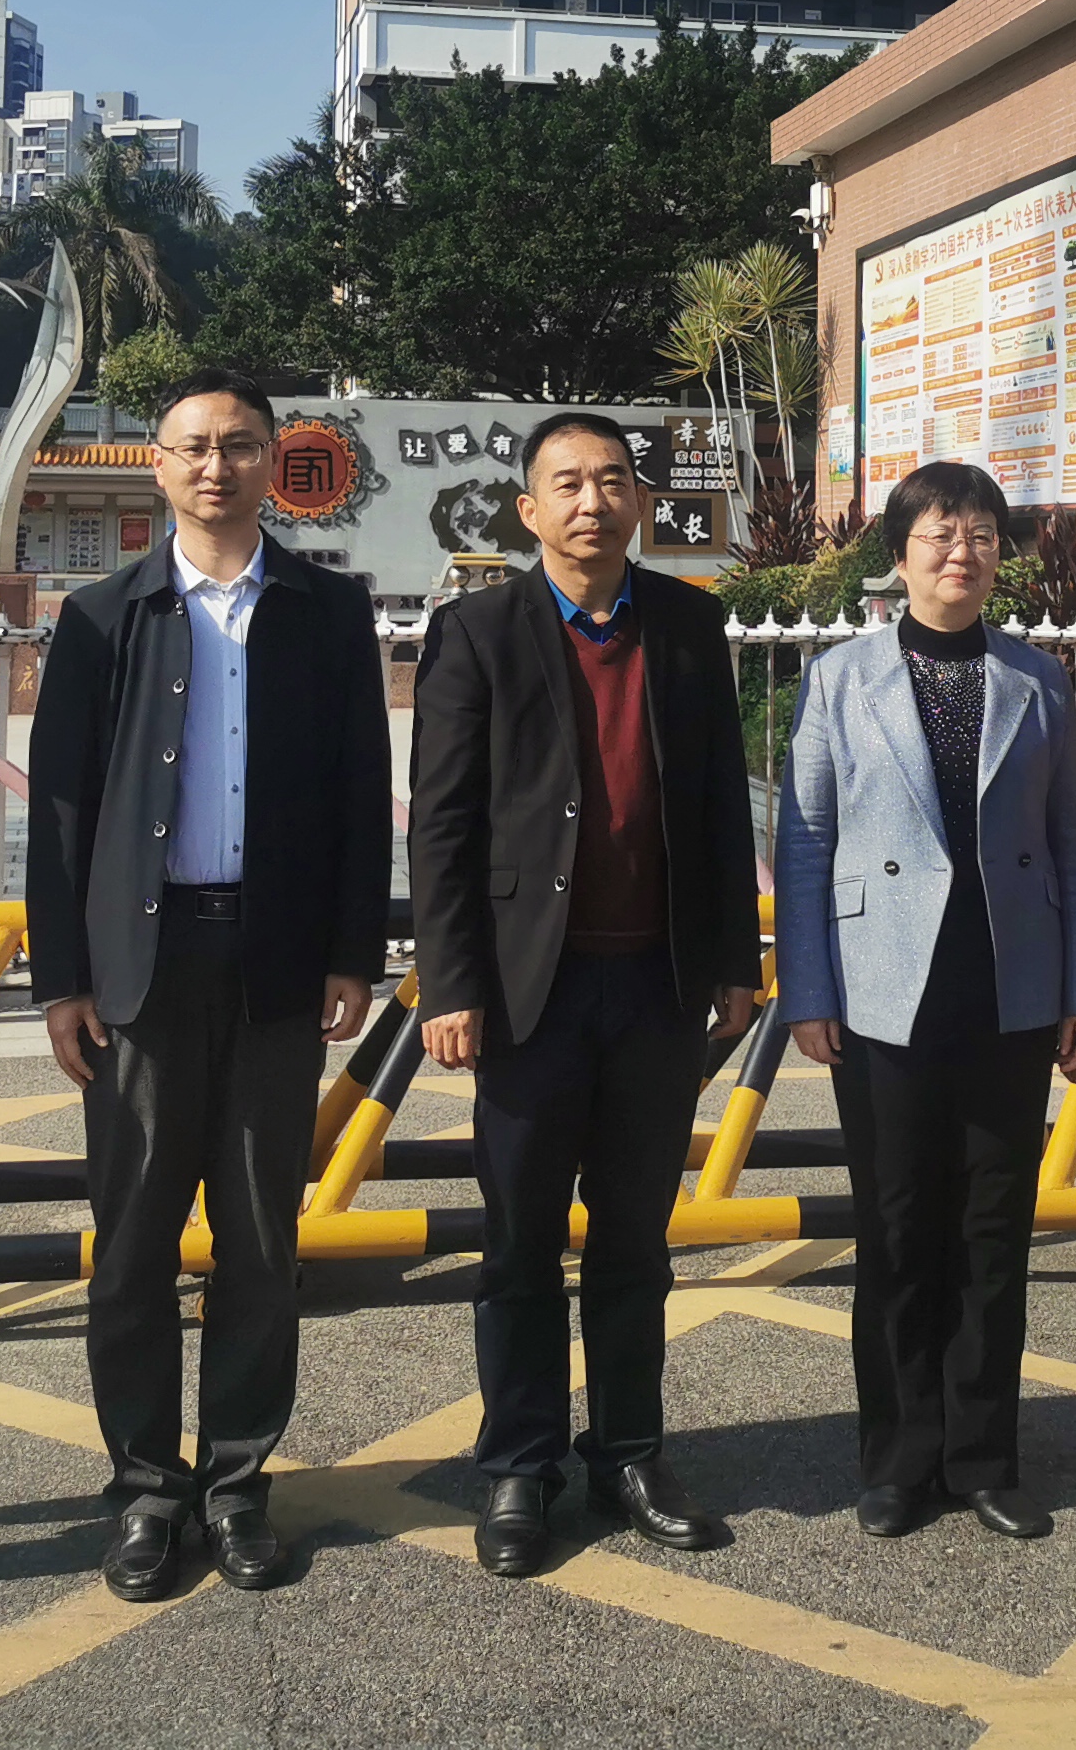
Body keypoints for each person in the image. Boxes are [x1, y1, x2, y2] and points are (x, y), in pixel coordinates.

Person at [28, 369, 392, 1600]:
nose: (216, 466)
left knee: (259, 1241)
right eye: (192, 446)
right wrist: (60, 979)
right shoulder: (102, 616)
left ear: (272, 464)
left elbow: (360, 793)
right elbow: (61, 815)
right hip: (142, 968)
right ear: (158, 466)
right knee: (132, 1244)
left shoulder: (325, 612)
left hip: (276, 961)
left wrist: (352, 951)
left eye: (240, 446)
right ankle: (144, 1489)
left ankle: (236, 1485)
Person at [406, 412, 765, 1577]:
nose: (592, 502)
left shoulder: (688, 625)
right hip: (529, 990)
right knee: (518, 1240)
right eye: (567, 483)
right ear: (530, 509)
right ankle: (520, 1466)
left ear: (639, 503)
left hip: (655, 984)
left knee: (633, 1240)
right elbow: (442, 823)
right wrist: (450, 980)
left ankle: (629, 1453)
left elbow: (717, 805)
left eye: (612, 481)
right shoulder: (478, 631)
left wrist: (733, 960)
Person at [773, 459, 1076, 1541]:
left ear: (998, 555)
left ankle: (983, 1459)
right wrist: (808, 988)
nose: (960, 553)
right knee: (896, 1226)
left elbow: (1073, 841)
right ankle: (897, 1459)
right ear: (901, 553)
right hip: (884, 991)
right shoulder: (841, 679)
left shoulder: (1038, 679)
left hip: (1010, 986)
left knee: (993, 1228)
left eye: (978, 536)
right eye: (938, 534)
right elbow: (806, 838)